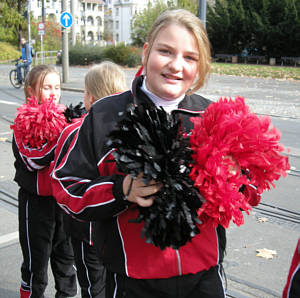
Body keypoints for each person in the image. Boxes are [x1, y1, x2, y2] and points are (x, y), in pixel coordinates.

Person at [51, 9, 238, 298]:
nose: (177, 65)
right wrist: (121, 189)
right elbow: (66, 186)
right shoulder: (104, 114)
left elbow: (241, 192)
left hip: (204, 278)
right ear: (146, 52)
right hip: (132, 282)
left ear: (200, 66)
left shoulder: (213, 115)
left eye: (190, 57)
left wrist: (235, 180)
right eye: (166, 51)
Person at [51, 61, 127, 298]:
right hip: (120, 231)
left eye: (84, 91)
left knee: (93, 286)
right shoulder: (133, 129)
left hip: (85, 230)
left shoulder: (74, 130)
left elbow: (62, 178)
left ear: (91, 98)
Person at [11, 65, 77, 298]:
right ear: (31, 91)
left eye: (57, 87)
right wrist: (63, 137)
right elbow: (32, 161)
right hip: (35, 204)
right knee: (35, 266)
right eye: (47, 87)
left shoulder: (67, 117)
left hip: (62, 203)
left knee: (66, 262)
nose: (53, 92)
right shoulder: (22, 122)